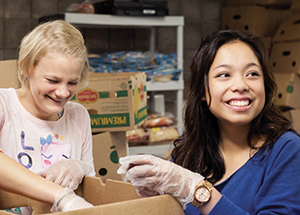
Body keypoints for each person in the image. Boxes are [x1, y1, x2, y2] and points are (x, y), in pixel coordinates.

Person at [117, 29, 300, 214]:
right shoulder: (189, 152)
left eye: (252, 73)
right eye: (224, 75)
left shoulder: (287, 151)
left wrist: (196, 190)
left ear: (266, 86)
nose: (241, 85)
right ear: (203, 91)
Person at [0, 20, 95, 213]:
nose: (62, 92)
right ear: (27, 67)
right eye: (53, 80)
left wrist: (79, 167)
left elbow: (92, 185)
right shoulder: (5, 105)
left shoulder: (78, 116)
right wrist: (61, 196)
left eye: (72, 82)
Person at [0, 152, 93, 212]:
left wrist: (80, 167)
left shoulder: (80, 122)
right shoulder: (7, 121)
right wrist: (63, 197)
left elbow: (92, 187)